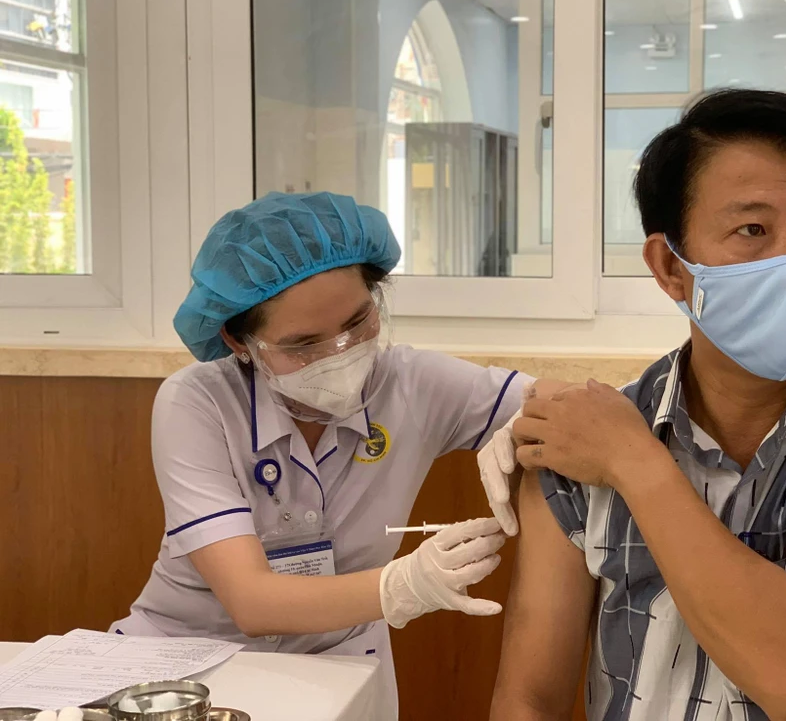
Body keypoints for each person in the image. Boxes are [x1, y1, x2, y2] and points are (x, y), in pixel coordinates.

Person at [486, 90, 786, 721]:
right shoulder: (578, 442)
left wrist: (634, 462)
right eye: (752, 229)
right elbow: (530, 698)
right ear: (671, 267)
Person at [111, 192, 554, 711]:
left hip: (337, 664)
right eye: (304, 345)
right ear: (237, 341)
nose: (341, 354)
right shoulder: (198, 402)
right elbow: (252, 602)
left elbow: (586, 411)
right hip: (185, 670)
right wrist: (404, 585)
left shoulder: (412, 383)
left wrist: (529, 422)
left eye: (358, 322)